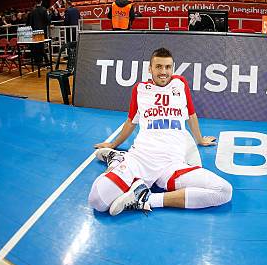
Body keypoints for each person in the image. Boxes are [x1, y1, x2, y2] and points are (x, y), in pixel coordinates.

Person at [88, 48, 232, 216]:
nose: (164, 72)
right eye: (158, 67)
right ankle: (117, 159)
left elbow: (191, 115)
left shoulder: (180, 84)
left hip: (172, 164)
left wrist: (200, 140)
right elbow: (130, 122)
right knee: (97, 201)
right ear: (150, 69)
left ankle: (145, 198)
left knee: (224, 191)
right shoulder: (140, 89)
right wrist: (113, 144)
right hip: (140, 159)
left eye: (168, 67)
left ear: (172, 68)